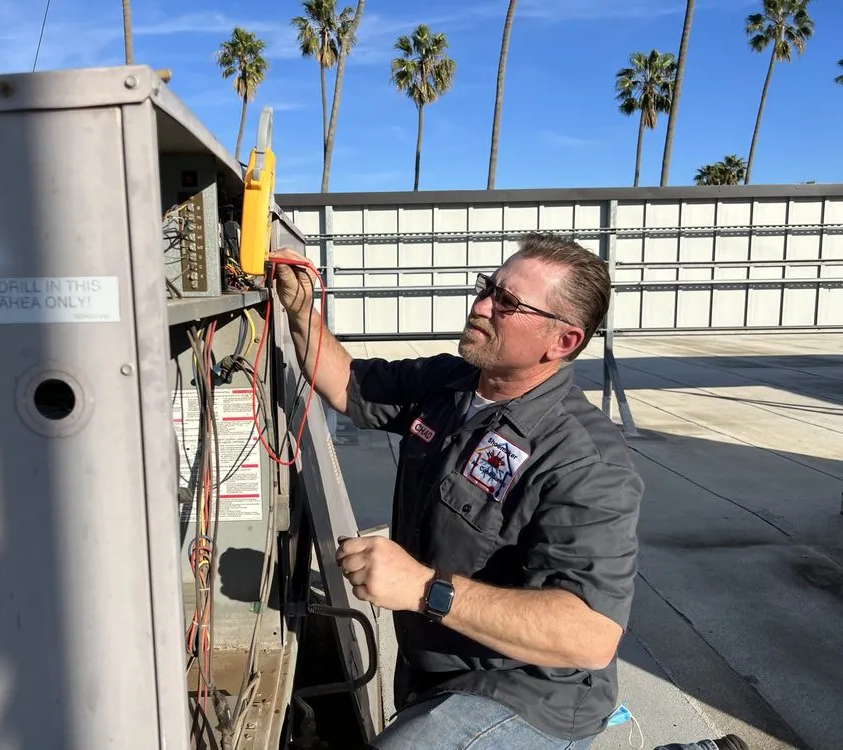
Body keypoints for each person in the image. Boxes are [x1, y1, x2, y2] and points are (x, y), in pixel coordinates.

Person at [270, 234, 749, 750]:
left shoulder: (586, 460)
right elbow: (349, 386)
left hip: (525, 693)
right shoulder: (450, 382)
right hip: (433, 670)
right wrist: (302, 314)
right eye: (487, 288)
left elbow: (590, 636)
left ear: (562, 341)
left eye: (506, 303)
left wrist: (425, 588)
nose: (479, 307)